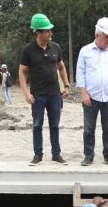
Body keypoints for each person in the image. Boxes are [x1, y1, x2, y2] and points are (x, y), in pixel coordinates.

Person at [19, 13, 71, 166]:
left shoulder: (56, 47)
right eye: (47, 30)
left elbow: (61, 67)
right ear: (38, 32)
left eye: (50, 30)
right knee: (37, 125)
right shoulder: (28, 50)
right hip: (38, 95)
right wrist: (26, 93)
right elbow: (21, 72)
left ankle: (56, 154)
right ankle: (38, 155)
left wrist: (66, 85)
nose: (50, 33)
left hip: (55, 94)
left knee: (54, 125)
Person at [76, 17, 108, 167]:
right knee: (89, 129)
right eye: (106, 36)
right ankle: (88, 156)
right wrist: (83, 93)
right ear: (97, 35)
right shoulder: (85, 51)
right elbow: (80, 74)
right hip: (90, 97)